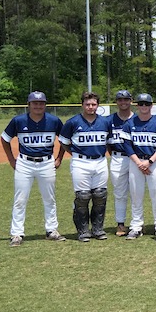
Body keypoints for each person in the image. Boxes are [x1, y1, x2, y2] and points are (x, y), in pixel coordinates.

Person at [3, 91, 66, 246]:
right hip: (25, 163)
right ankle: (17, 233)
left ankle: (51, 230)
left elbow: (64, 140)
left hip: (46, 163)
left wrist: (59, 158)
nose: (38, 106)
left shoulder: (54, 120)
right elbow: (5, 139)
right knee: (20, 199)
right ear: (29, 104)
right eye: (35, 103)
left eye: (41, 103)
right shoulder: (18, 121)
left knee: (49, 198)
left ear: (45, 104)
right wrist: (11, 159)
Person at [58, 91, 111, 242]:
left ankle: (97, 229)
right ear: (82, 105)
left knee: (100, 195)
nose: (90, 107)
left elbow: (109, 141)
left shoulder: (105, 122)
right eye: (87, 104)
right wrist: (76, 153)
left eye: (94, 104)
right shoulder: (73, 122)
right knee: (83, 197)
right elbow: (64, 142)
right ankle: (82, 230)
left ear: (98, 105)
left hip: (100, 161)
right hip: (81, 162)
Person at [121, 93, 156, 240]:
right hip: (136, 162)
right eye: (141, 104)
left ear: (151, 105)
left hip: (154, 163)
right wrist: (139, 163)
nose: (144, 107)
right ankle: (136, 226)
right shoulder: (129, 123)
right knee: (136, 195)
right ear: (137, 105)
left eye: (146, 104)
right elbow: (127, 146)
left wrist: (149, 162)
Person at [107, 89, 135, 237]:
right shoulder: (109, 120)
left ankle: (137, 223)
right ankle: (120, 223)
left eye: (126, 99)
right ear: (116, 102)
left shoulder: (137, 118)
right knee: (119, 193)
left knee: (137, 193)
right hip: (118, 158)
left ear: (131, 101)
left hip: (136, 158)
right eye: (120, 100)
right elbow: (106, 142)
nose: (123, 102)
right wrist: (115, 154)